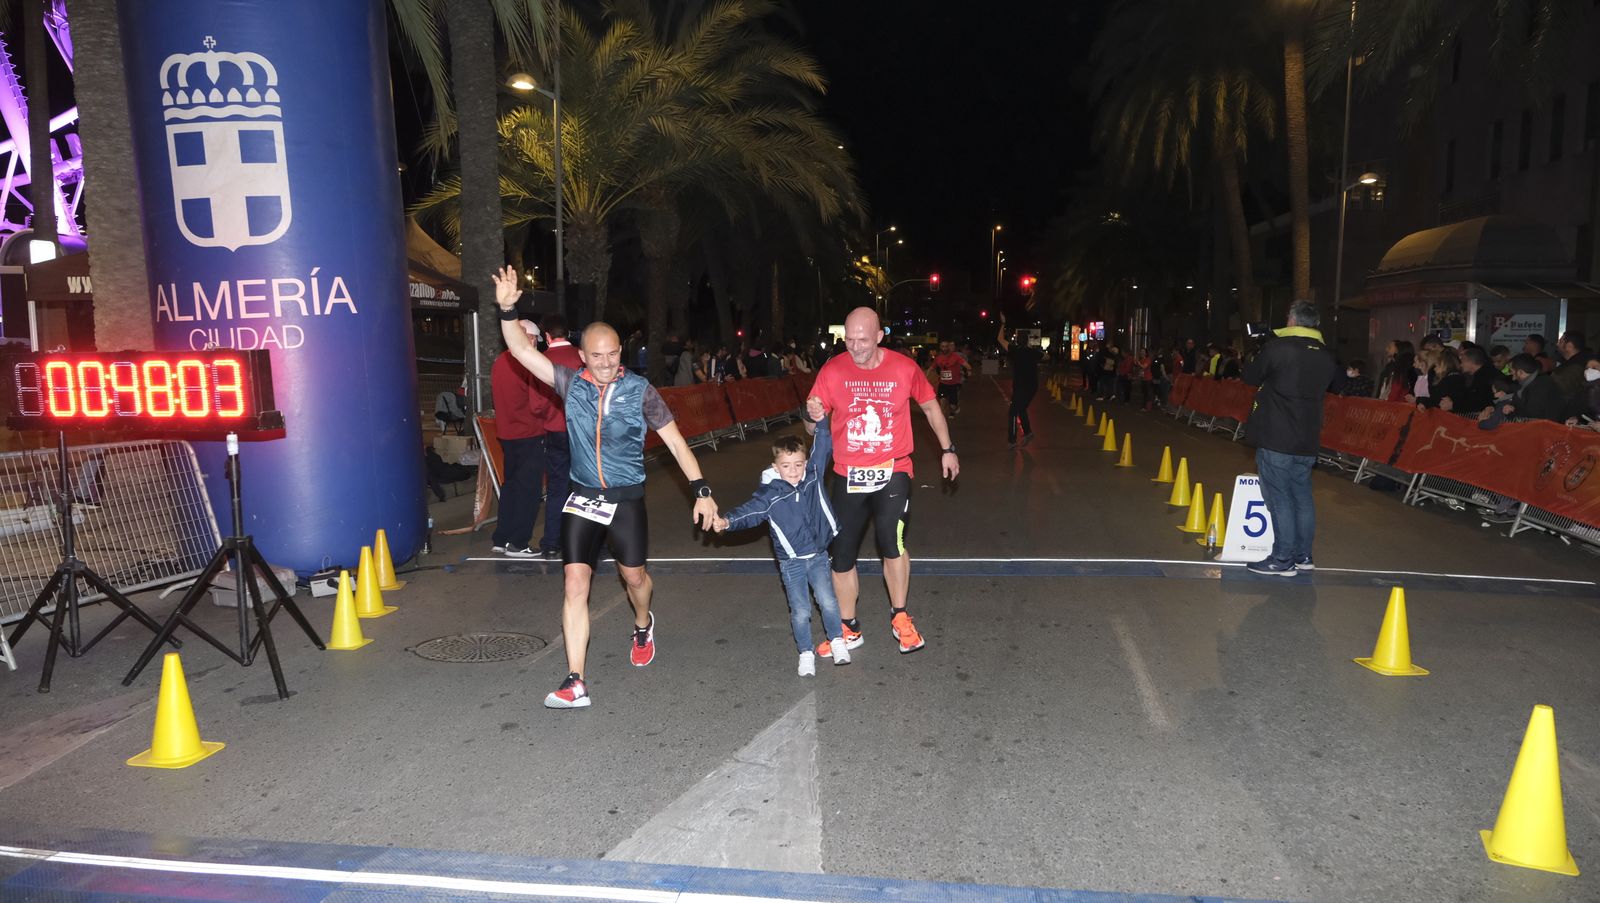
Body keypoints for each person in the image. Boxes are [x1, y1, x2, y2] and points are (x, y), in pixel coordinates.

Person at [493, 266, 718, 709]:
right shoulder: (569, 383)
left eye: (613, 354)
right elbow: (520, 349)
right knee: (575, 583)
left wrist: (703, 490)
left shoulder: (641, 391)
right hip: (582, 498)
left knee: (634, 577)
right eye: (596, 356)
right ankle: (575, 679)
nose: (606, 363)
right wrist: (507, 308)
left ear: (621, 352)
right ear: (581, 355)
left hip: (625, 499)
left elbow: (675, 442)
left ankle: (641, 622)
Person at [806, 307, 958, 658]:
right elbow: (813, 426)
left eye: (862, 339)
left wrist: (948, 449)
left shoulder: (904, 368)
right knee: (840, 556)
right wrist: (812, 417)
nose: (855, 347)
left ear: (879, 336)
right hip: (847, 474)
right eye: (849, 339)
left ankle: (900, 615)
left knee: (892, 540)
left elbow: (932, 408)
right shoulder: (832, 370)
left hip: (894, 470)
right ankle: (849, 626)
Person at [713, 419, 850, 676]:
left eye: (798, 464)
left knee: (829, 602)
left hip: (818, 555)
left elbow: (822, 447)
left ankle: (838, 641)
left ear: (806, 463)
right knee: (800, 610)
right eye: (786, 466)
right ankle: (806, 653)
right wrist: (727, 522)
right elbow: (749, 512)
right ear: (775, 467)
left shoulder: (813, 477)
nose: (794, 470)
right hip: (791, 563)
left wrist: (821, 422)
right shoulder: (770, 494)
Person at [1240, 300, 1339, 576]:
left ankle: (1282, 559)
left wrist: (1258, 348)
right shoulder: (1326, 354)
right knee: (1302, 496)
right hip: (1307, 438)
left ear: (1292, 320)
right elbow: (1336, 384)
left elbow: (1250, 376)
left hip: (1277, 435)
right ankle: (1303, 555)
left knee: (1279, 497)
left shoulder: (1277, 348)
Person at [489, 315, 554, 558]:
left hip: (507, 433)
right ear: (523, 336)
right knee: (529, 490)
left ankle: (502, 537)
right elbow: (538, 403)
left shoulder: (499, 362)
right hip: (529, 432)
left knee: (511, 487)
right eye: (534, 339)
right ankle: (518, 542)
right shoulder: (526, 363)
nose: (535, 344)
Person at [533, 314, 582, 559]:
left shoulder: (541, 360)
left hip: (555, 431)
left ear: (547, 336)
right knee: (587, 487)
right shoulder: (582, 357)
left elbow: (536, 404)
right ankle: (589, 539)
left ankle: (552, 542)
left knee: (557, 488)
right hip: (582, 431)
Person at [998, 315, 1043, 447]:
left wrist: (1003, 323)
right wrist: (1036, 351)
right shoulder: (1033, 352)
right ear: (1028, 341)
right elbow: (1046, 356)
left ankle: (1012, 440)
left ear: (1017, 340)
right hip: (1032, 387)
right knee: (1021, 408)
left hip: (1020, 387)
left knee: (1013, 412)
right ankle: (1028, 432)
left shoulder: (1015, 350)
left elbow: (1000, 339)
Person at [1483, 353, 1567, 423]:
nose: (1513, 378)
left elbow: (1532, 416)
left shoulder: (1540, 386)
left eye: (1512, 372)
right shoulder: (1529, 384)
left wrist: (1511, 411)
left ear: (1521, 372)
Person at [932, 339, 972, 418]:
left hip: (956, 381)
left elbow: (966, 365)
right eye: (949, 345)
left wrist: (968, 371)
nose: (950, 347)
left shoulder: (959, 356)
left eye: (952, 345)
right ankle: (942, 420)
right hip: (943, 383)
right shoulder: (939, 357)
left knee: (953, 402)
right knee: (943, 401)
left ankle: (953, 409)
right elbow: (934, 367)